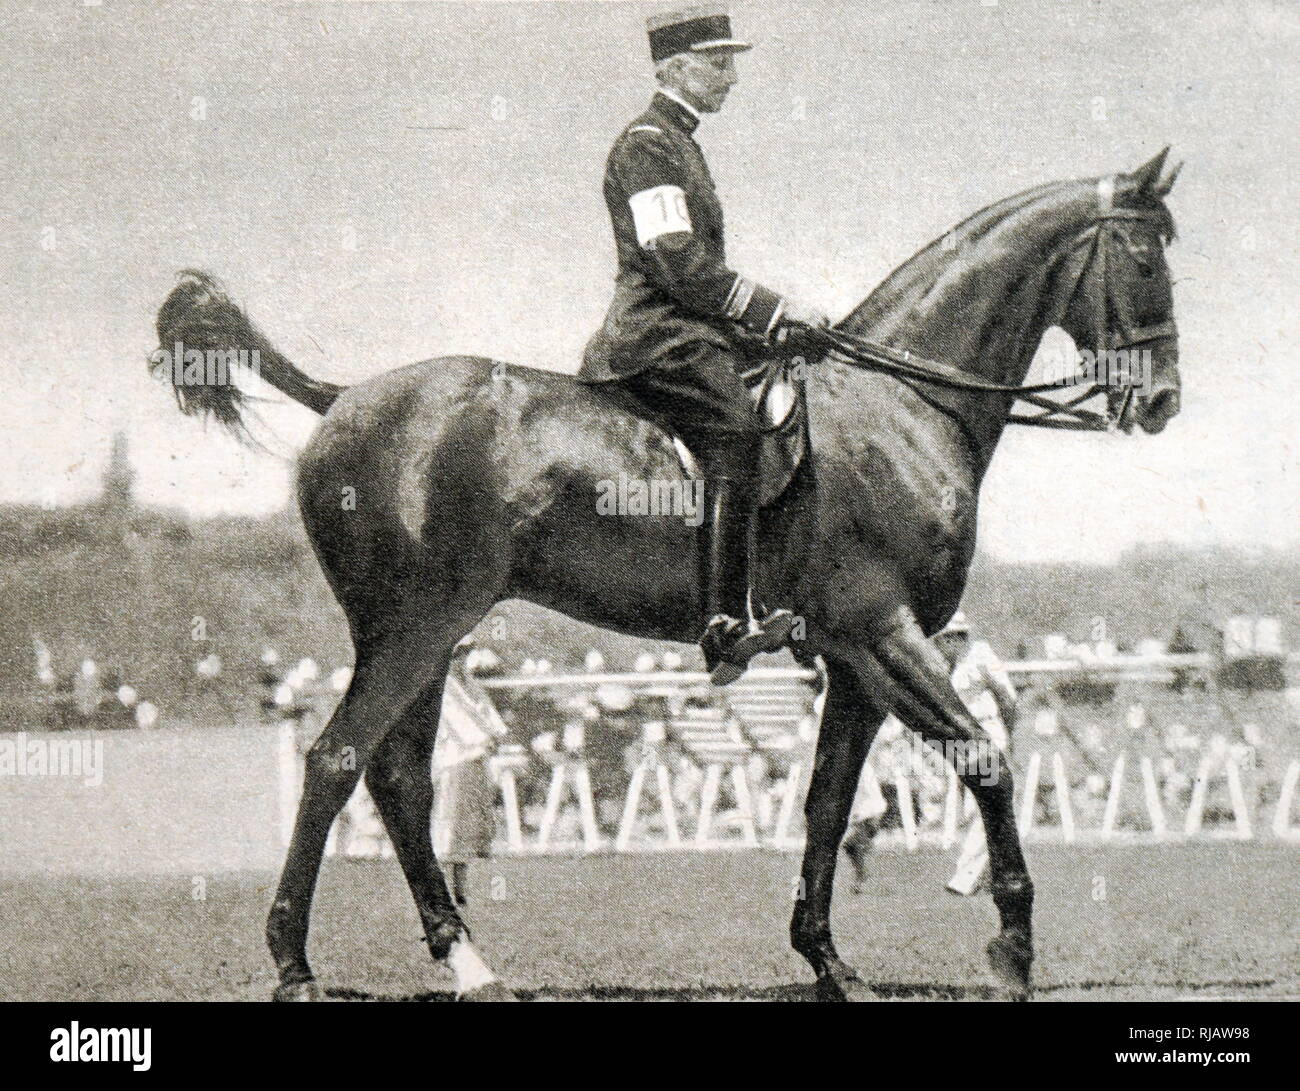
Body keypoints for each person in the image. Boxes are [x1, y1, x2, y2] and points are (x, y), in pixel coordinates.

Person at [578, 5, 829, 685]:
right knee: (735, 429)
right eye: (719, 63)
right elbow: (676, 261)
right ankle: (724, 620)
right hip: (657, 335)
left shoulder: (680, 143)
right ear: (674, 68)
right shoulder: (647, 144)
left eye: (731, 62)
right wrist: (774, 308)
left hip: (692, 327)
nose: (732, 77)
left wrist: (781, 328)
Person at [937, 612, 1019, 896]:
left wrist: (1005, 738)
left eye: (944, 639)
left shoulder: (981, 654)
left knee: (987, 807)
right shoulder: (945, 662)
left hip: (987, 734)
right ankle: (989, 874)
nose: (940, 644)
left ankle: (966, 876)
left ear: (956, 637)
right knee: (976, 809)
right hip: (961, 738)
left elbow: (1007, 697)